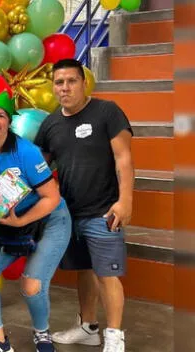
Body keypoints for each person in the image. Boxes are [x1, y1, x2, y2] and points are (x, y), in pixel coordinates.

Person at [34, 58, 133, 352]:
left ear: (83, 82)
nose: (65, 87)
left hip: (104, 211)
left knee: (107, 273)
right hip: (68, 214)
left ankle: (114, 336)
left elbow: (123, 158)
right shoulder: (51, 122)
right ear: (53, 87)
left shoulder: (107, 112)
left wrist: (125, 200)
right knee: (85, 270)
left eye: (71, 81)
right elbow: (38, 164)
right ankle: (88, 327)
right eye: (59, 82)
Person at [0, 76, 71, 352]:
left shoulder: (26, 151)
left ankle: (42, 333)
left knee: (32, 285)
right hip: (11, 223)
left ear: (9, 121)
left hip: (49, 220)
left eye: (1, 115)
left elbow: (52, 197)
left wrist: (21, 220)